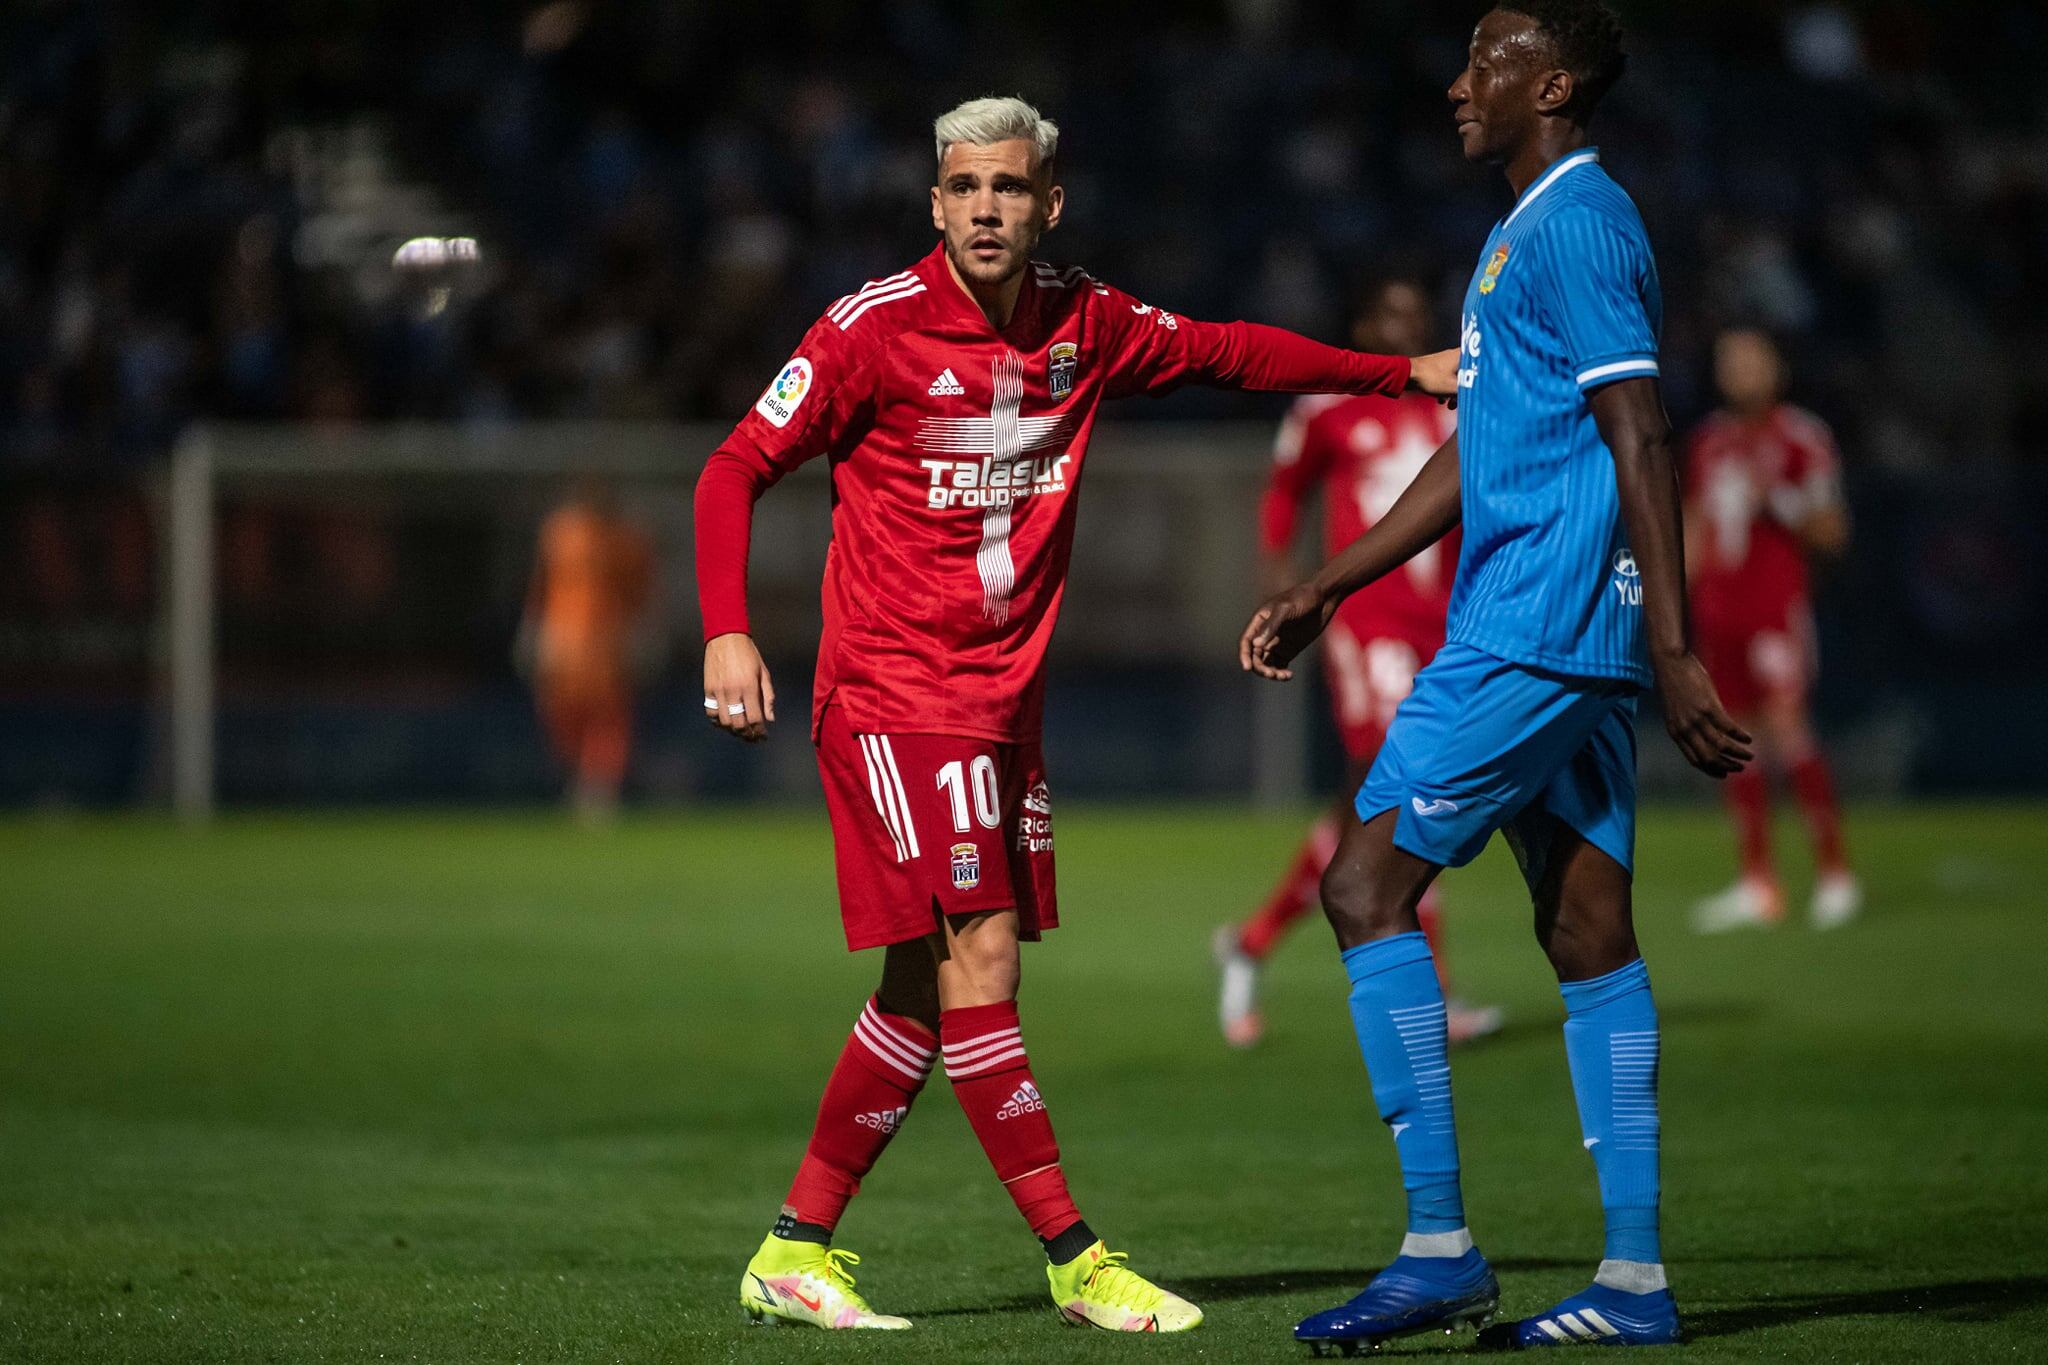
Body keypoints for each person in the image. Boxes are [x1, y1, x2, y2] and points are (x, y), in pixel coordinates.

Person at [695, 95, 1459, 1334]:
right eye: (962, 188)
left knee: (920, 987)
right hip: (894, 691)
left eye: (1007, 188)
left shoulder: (1085, 322)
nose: (984, 208)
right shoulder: (866, 332)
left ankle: (795, 1247)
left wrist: (1397, 373)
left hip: (999, 702)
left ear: (1047, 203)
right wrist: (727, 629)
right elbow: (732, 466)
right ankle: (1074, 1256)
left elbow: (1227, 351)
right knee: (979, 962)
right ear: (933, 203)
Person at [1241, 2, 1752, 1349]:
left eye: (1486, 61)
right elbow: (1482, 445)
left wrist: (1677, 646)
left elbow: (1640, 430)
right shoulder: (1522, 229)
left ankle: (1437, 1248)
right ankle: (1635, 1283)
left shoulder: (1579, 222)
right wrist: (1327, 581)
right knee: (1588, 933)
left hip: (1533, 626)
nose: (1458, 84)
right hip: (1551, 625)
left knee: (1363, 886)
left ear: (1557, 82)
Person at [1215, 276, 1502, 1049]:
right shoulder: (1326, 409)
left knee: (1366, 818)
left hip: (1442, 631)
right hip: (1365, 629)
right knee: (1408, 791)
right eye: (1393, 315)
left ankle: (1250, 943)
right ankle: (1431, 995)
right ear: (1364, 323)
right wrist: (1282, 584)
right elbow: (1283, 496)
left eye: (1419, 315)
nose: (1408, 325)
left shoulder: (1454, 408)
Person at [1685, 326, 1860, 932]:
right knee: (1736, 742)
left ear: (1776, 368)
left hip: (1774, 610)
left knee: (1789, 728)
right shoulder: (1708, 442)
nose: (1740, 373)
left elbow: (1834, 533)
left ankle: (1836, 874)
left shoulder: (1800, 438)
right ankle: (1758, 882)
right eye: (1729, 362)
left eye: (1751, 361)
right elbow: (1695, 532)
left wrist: (1779, 501)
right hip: (1719, 613)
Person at [520, 480, 654, 823]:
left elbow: (641, 593)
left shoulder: (628, 538)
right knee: (559, 713)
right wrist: (532, 631)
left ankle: (597, 789)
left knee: (608, 717)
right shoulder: (560, 531)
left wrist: (642, 635)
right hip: (562, 636)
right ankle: (576, 778)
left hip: (607, 640)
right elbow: (541, 583)